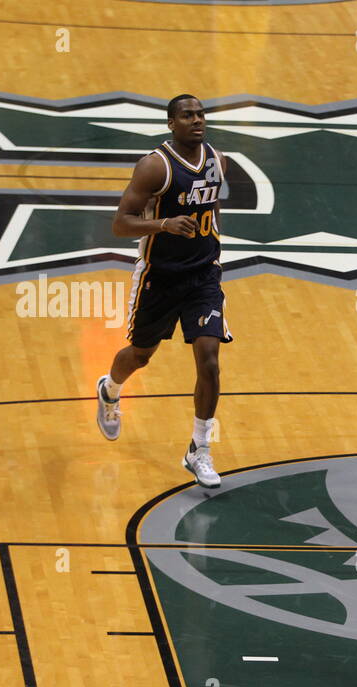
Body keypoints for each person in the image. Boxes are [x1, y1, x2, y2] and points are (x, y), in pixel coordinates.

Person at [97, 93, 231, 489]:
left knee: (209, 360)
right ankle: (110, 389)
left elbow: (213, 208)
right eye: (187, 115)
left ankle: (199, 448)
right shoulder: (154, 166)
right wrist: (163, 225)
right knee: (140, 355)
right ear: (171, 123)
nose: (197, 120)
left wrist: (214, 244)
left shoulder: (219, 160)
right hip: (159, 276)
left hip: (203, 275)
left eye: (201, 114)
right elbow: (120, 223)